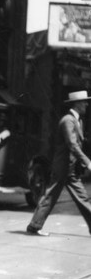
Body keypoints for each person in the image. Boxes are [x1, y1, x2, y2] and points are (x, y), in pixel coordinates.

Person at [27, 90, 91, 236]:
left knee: (82, 198)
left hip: (71, 169)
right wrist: (88, 162)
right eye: (84, 102)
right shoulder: (67, 120)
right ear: (77, 104)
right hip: (62, 167)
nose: (87, 104)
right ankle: (34, 226)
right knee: (51, 197)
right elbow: (72, 145)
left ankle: (34, 226)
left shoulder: (77, 120)